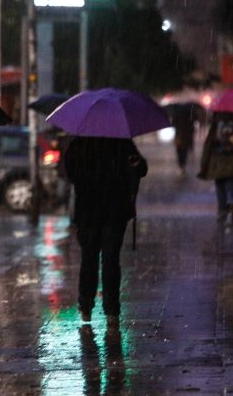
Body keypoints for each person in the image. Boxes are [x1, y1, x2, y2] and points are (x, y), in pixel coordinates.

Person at [65, 137, 147, 328]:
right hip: (113, 210)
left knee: (90, 259)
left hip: (91, 211)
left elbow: (70, 172)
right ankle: (110, 310)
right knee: (109, 260)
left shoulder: (80, 142)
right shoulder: (121, 141)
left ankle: (86, 306)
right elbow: (141, 169)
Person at [197, 112, 233, 223]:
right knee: (232, 182)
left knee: (220, 185)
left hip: (218, 162)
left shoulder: (215, 126)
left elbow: (208, 146)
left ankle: (222, 211)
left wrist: (203, 165)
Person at [170, 105, 195, 175]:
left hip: (179, 136)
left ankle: (181, 164)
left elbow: (173, 124)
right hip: (185, 137)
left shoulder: (176, 115)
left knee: (179, 151)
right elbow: (191, 129)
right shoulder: (189, 117)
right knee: (183, 151)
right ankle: (182, 164)